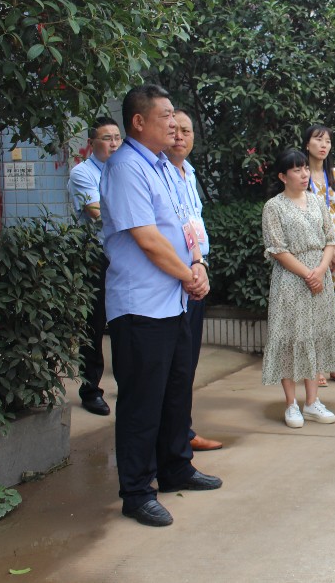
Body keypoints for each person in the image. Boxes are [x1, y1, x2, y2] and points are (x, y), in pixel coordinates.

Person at [100, 84, 222, 528]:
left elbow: (187, 225)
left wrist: (198, 262)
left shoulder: (167, 168)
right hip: (141, 306)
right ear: (139, 121)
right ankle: (137, 490)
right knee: (141, 402)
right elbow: (148, 239)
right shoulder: (126, 167)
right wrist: (189, 275)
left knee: (175, 391)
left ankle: (175, 467)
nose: (175, 123)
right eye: (166, 115)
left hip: (173, 300)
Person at [262, 149, 335, 429]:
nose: (304, 174)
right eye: (296, 170)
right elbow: (277, 249)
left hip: (320, 277)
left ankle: (312, 401)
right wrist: (308, 273)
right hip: (290, 278)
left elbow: (330, 239)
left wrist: (320, 271)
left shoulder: (316, 201)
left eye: (305, 169)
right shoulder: (274, 206)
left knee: (316, 335)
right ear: (282, 176)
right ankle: (290, 404)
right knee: (290, 336)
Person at [165, 109, 222, 451]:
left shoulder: (189, 173)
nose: (180, 137)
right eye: (175, 130)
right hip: (176, 279)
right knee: (175, 366)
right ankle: (176, 438)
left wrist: (200, 265)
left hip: (196, 273)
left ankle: (183, 431)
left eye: (187, 131)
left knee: (188, 363)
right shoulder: (160, 174)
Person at [67, 116, 121, 416]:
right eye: (106, 138)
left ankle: (125, 382)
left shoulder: (123, 171)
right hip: (96, 256)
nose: (114, 143)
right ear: (92, 142)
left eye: (117, 137)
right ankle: (91, 390)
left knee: (124, 322)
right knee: (94, 326)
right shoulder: (82, 173)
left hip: (124, 256)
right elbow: (98, 213)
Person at [303, 125, 335, 387]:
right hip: (312, 249)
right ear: (307, 144)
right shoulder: (301, 175)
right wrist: (327, 248)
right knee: (316, 308)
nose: (323, 145)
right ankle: (316, 369)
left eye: (328, 141)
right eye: (318, 139)